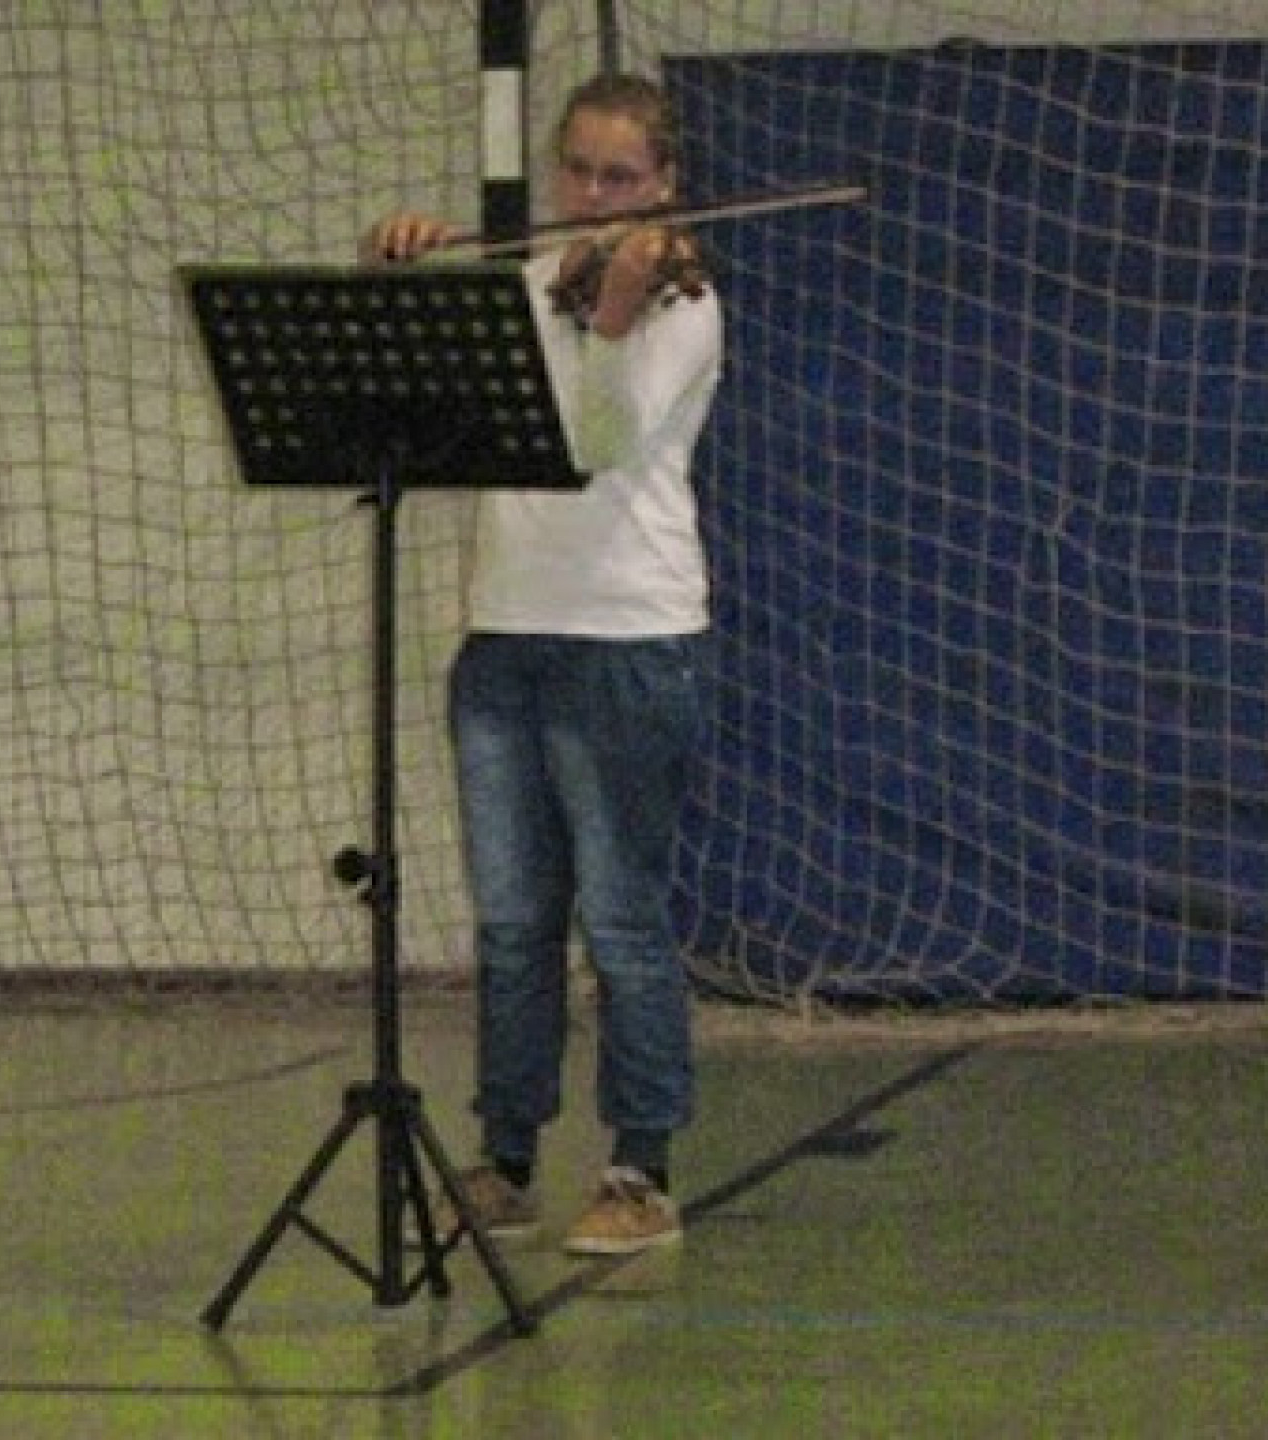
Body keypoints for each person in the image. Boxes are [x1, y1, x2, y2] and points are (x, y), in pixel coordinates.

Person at [360, 73, 722, 1256]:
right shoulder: (523, 285)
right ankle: (507, 1156)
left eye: (622, 177)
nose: (596, 196)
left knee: (620, 920)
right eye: (580, 171)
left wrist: (612, 317)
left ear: (664, 184)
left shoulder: (682, 303)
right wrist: (399, 280)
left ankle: (639, 1171)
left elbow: (597, 445)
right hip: (506, 637)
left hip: (628, 641)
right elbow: (431, 416)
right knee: (515, 922)